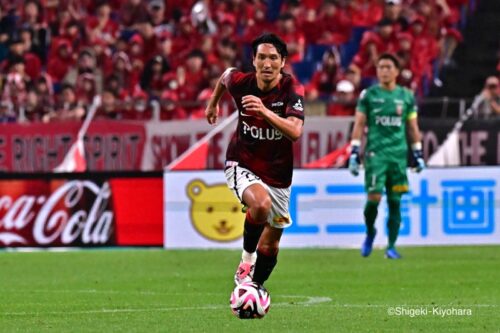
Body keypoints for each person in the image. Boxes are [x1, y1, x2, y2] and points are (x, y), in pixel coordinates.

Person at [205, 33, 305, 286]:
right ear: (254, 60)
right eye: (262, 57)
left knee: (271, 244)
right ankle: (246, 260)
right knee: (260, 205)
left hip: (279, 174)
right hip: (241, 161)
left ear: (283, 62)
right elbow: (226, 75)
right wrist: (213, 104)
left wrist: (263, 111)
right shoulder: (242, 83)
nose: (267, 64)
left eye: (273, 58)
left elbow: (294, 131)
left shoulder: (292, 89)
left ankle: (254, 288)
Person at [348, 53, 425, 259]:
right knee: (373, 198)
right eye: (380, 67)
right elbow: (359, 124)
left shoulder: (406, 96)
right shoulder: (369, 95)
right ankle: (370, 231)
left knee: (395, 201)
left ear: (397, 71)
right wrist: (354, 151)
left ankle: (391, 246)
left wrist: (417, 153)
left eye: (388, 67)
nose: (384, 70)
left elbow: (412, 127)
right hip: (376, 155)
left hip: (398, 157)